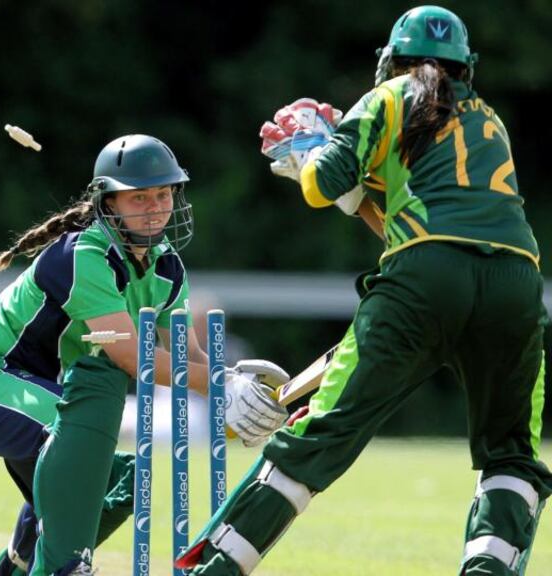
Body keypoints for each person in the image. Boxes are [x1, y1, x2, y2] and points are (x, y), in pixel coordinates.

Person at [178, 6, 551, 575]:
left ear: (391, 61)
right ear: (465, 68)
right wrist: (357, 188)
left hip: (423, 282)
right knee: (511, 456)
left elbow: (321, 186)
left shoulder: (389, 96)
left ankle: (216, 568)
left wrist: (309, 153)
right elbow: (420, 210)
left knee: (320, 434)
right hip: (517, 284)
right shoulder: (489, 121)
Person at [0, 134, 291, 576]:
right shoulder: (84, 255)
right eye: (138, 197)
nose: (155, 206)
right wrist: (219, 386)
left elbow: (187, 357)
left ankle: (20, 561)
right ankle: (64, 566)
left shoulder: (167, 268)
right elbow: (132, 357)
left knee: (120, 483)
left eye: (163, 194)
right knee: (77, 442)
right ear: (108, 202)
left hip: (57, 396)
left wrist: (238, 390)